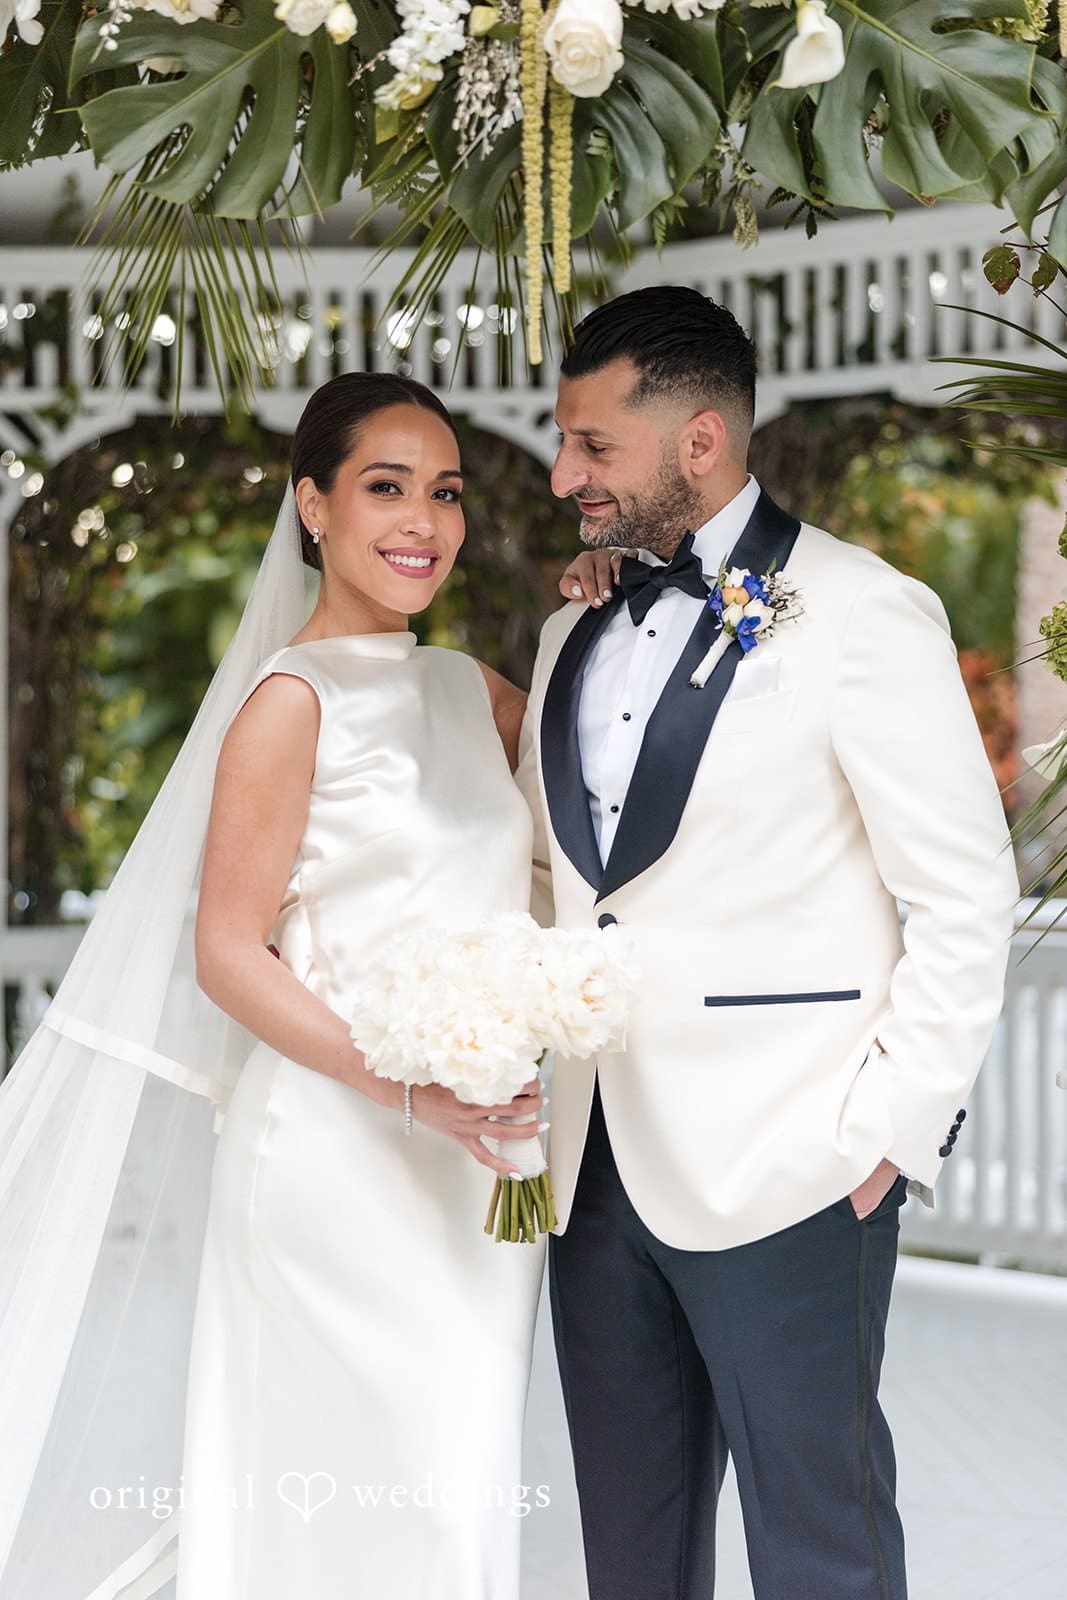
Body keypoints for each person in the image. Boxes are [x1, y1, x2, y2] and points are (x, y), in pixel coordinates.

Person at [0, 370, 615, 1600]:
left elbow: (580, 790)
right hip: (337, 1160)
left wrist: (597, 610)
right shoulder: (288, 704)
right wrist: (408, 1088)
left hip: (475, 1169)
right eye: (384, 487)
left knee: (455, 1490)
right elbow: (227, 953)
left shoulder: (468, 690)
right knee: (342, 1501)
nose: (421, 522)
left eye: (441, 492)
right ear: (314, 508)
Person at [516, 285, 1021, 1600]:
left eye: (590, 445)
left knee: (819, 1551)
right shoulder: (572, 625)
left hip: (794, 1159)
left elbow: (965, 894)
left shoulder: (861, 611)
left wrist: (888, 1125)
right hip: (595, 1166)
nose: (561, 471)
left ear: (698, 441)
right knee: (630, 1554)